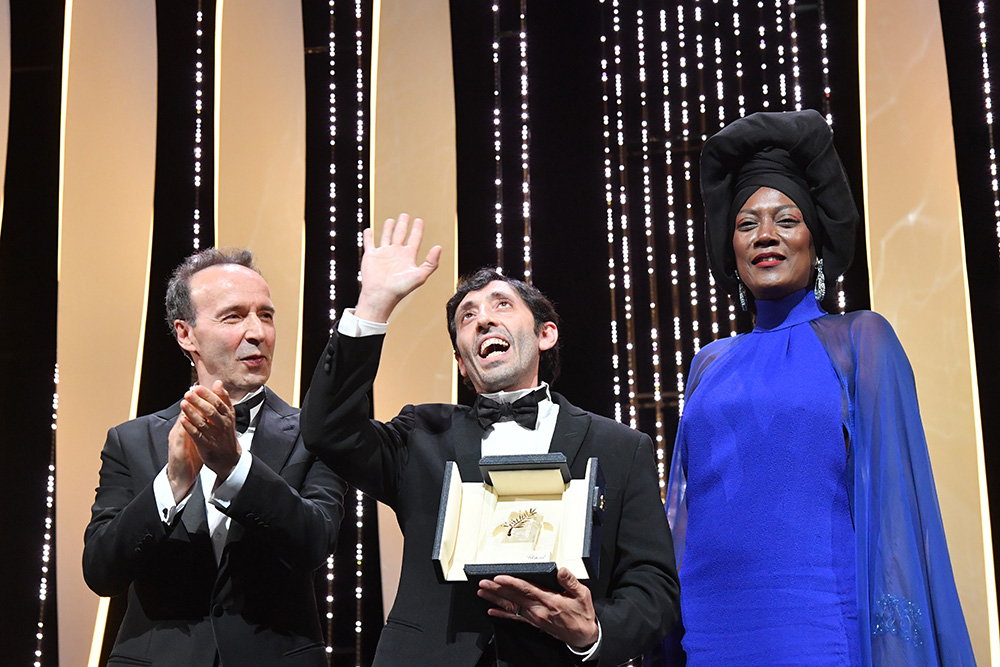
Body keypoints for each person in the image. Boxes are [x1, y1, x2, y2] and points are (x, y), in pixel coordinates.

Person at [664, 109, 976, 665]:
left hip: (816, 625)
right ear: (730, 250)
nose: (765, 236)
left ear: (815, 237)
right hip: (707, 625)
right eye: (746, 223)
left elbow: (895, 508)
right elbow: (685, 510)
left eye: (786, 220)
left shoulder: (859, 340)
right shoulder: (708, 362)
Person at [300, 214, 680, 666]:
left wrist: (593, 631)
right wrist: (373, 306)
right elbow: (327, 429)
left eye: (501, 305)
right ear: (462, 363)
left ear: (545, 333)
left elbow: (653, 587)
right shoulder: (420, 434)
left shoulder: (621, 446)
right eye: (467, 317)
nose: (482, 320)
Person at [83, 248, 346, 667]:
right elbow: (100, 571)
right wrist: (170, 484)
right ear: (186, 334)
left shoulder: (314, 436)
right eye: (234, 316)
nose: (257, 332)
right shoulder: (129, 441)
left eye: (266, 315)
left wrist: (235, 468)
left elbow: (315, 544)